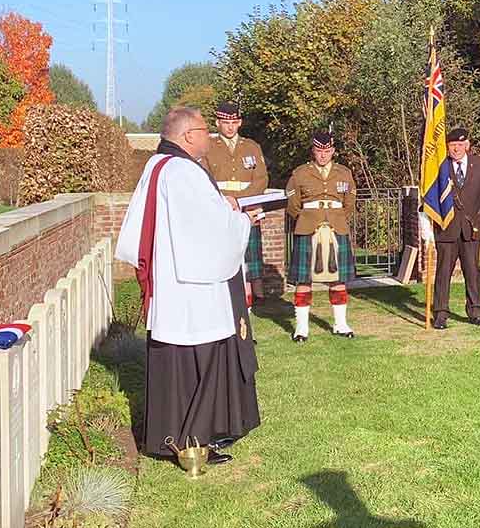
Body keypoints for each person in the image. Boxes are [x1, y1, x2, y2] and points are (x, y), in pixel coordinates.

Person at [115, 106, 260, 463]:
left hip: (174, 281)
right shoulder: (183, 172)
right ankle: (195, 439)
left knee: (176, 367)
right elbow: (209, 230)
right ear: (187, 136)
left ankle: (170, 438)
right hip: (195, 287)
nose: (209, 136)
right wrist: (242, 219)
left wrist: (223, 206)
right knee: (204, 361)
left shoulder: (157, 166)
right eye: (204, 129)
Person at [285, 131, 358, 342]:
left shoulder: (344, 173)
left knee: (338, 279)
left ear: (333, 151)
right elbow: (293, 204)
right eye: (319, 151)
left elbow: (349, 204)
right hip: (308, 228)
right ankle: (301, 328)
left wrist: (334, 218)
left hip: (336, 228)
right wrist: (308, 218)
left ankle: (341, 324)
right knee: (304, 279)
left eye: (327, 151)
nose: (323, 155)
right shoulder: (300, 173)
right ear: (313, 151)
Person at [201, 101, 269, 307]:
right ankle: (223, 301)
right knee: (223, 260)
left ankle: (248, 308)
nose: (230, 127)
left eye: (234, 122)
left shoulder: (251, 147)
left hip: (248, 211)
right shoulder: (208, 146)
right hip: (221, 213)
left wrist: (240, 200)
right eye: (225, 122)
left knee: (249, 260)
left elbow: (261, 179)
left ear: (240, 122)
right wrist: (225, 200)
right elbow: (204, 179)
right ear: (217, 123)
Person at [433, 127, 480, 330]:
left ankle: (475, 312)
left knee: (472, 272)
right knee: (443, 273)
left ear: (467, 145)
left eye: (460, 144)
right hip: (446, 228)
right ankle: (440, 314)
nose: (456, 149)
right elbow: (430, 197)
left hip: (471, 229)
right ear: (447, 147)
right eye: (452, 145)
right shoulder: (439, 166)